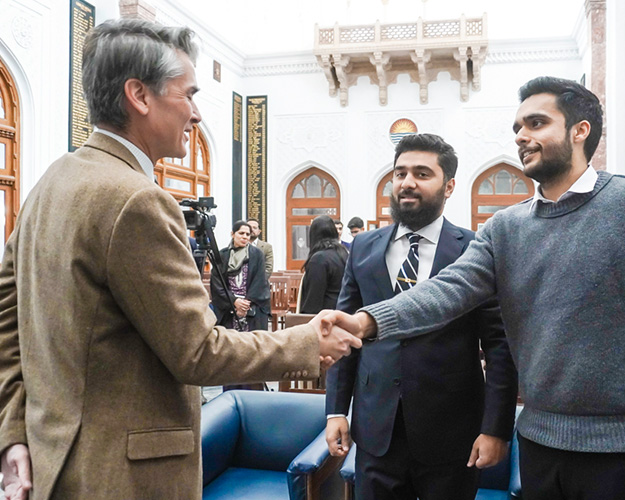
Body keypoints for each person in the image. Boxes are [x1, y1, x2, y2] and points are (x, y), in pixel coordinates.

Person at [328, 77, 625, 500]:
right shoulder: (505, 228)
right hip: (540, 449)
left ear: (580, 130)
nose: (521, 136)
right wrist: (366, 321)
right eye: (517, 128)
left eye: (536, 123)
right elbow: (446, 290)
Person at [0, 19, 360, 500]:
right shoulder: (138, 200)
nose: (195, 113)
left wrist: (13, 432)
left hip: (53, 462)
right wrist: (307, 341)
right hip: (119, 477)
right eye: (188, 94)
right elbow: (199, 351)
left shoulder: (51, 181)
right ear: (139, 96)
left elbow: (7, 315)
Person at [325, 134, 517, 500]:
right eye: (400, 173)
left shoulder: (475, 250)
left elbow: (499, 345)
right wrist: (335, 411)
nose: (407, 182)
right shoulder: (363, 248)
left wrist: (495, 428)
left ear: (449, 186)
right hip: (376, 428)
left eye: (422, 174)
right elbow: (344, 336)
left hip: (451, 431)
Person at [210, 220, 270, 332]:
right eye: (241, 233)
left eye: (247, 234)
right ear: (232, 234)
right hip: (228, 305)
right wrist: (234, 301)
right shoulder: (222, 255)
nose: (245, 237)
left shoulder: (257, 254)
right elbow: (217, 283)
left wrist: (245, 304)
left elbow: (260, 281)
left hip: (251, 305)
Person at [298, 215, 348, 314]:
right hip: (343, 312)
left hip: (325, 316)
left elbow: (313, 298)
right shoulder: (343, 253)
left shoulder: (319, 259)